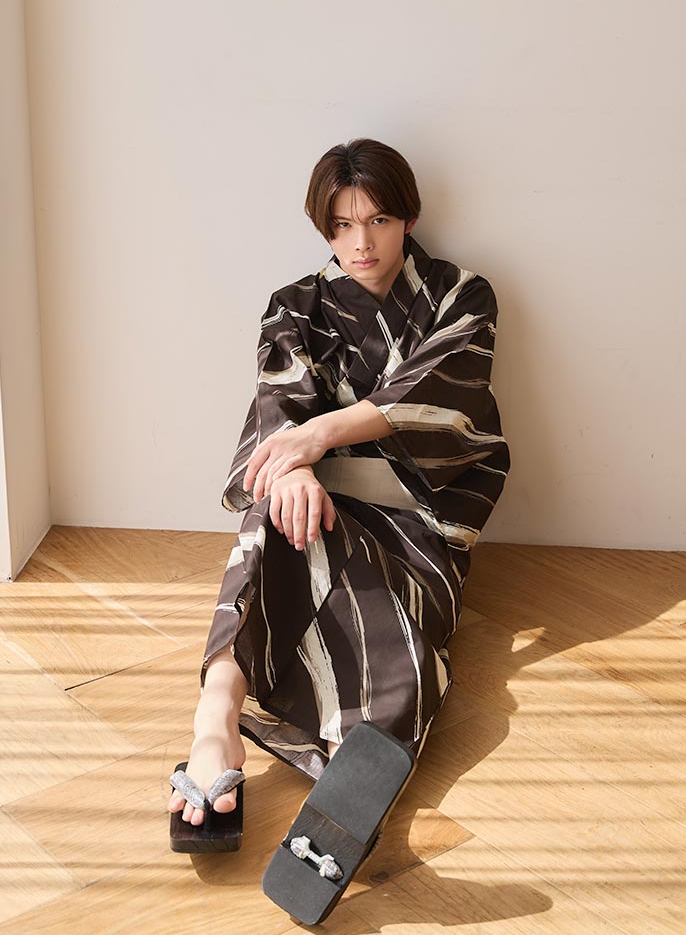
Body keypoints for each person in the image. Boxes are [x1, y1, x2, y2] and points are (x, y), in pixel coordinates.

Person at [168, 137, 510, 830]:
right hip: (319, 503)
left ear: (409, 218)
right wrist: (293, 465)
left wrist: (317, 435)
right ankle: (215, 718)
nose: (362, 243)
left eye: (378, 220)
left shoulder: (462, 296)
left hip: (418, 521)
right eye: (342, 225)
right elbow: (276, 406)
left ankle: (349, 755)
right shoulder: (295, 305)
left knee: (392, 628)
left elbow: (442, 395)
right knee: (274, 517)